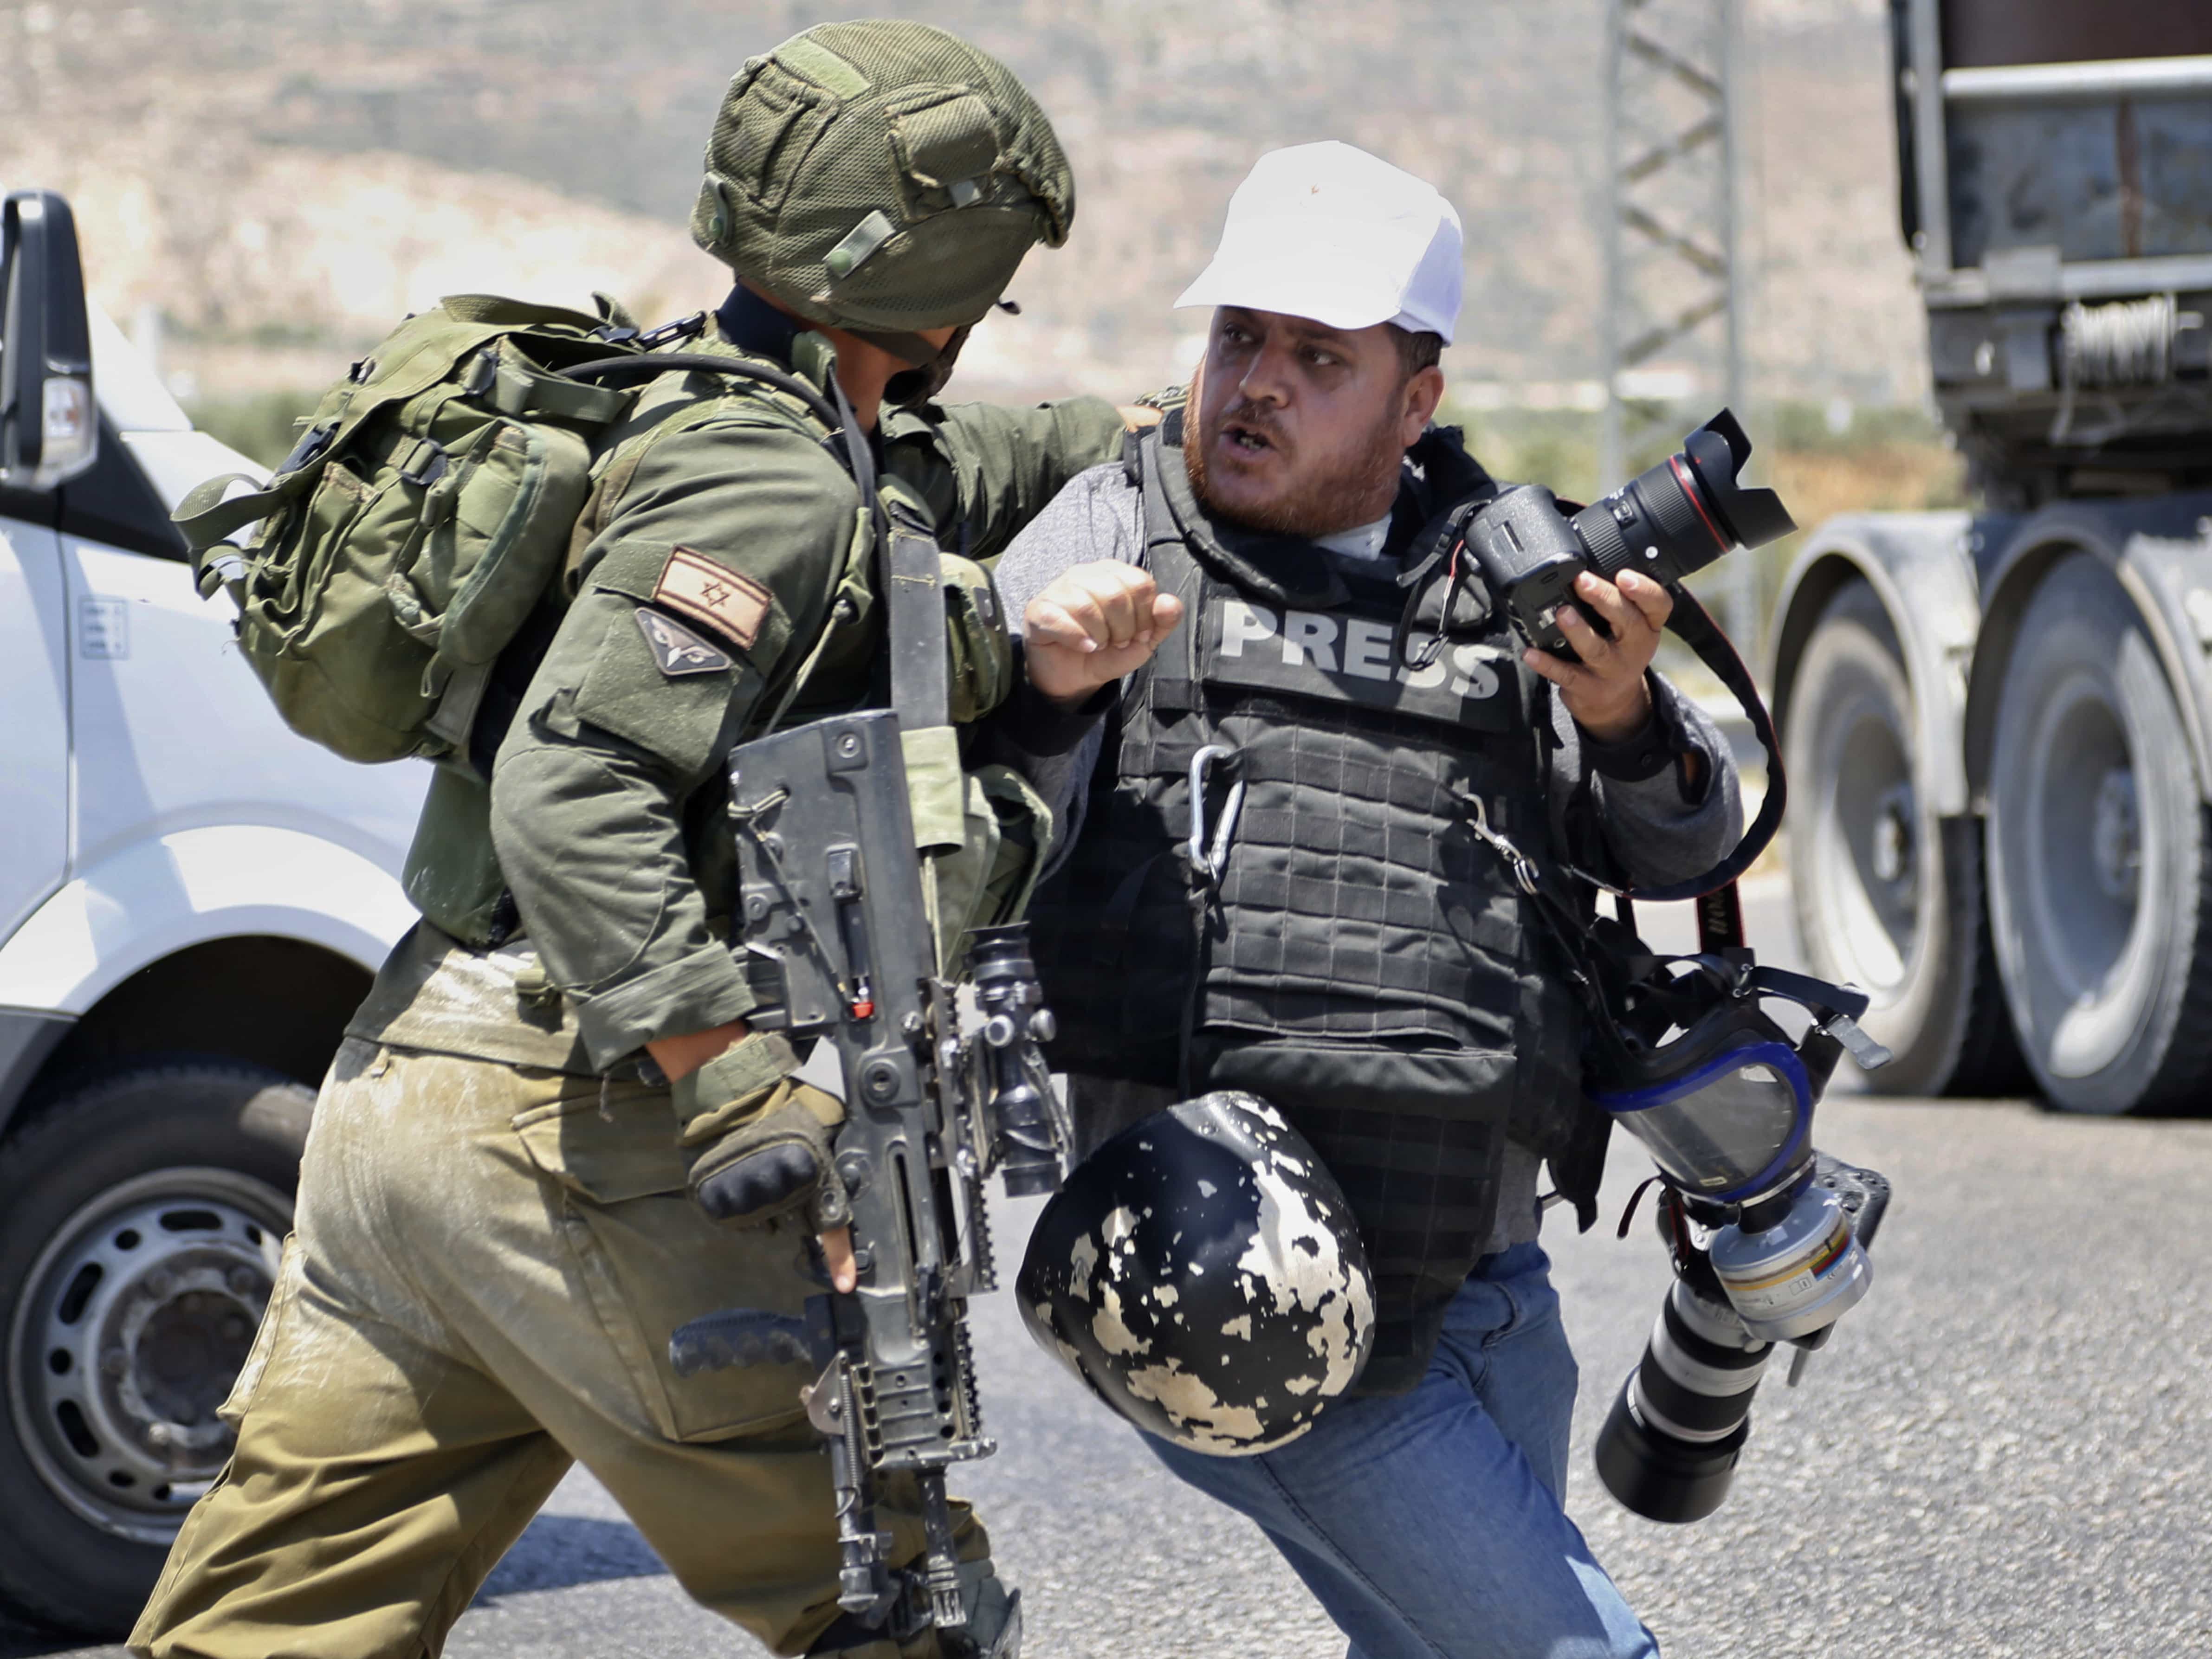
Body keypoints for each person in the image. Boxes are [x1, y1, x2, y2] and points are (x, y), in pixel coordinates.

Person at [129, 21, 1155, 1659]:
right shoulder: (766, 488)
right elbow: (574, 786)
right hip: (588, 1140)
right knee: (898, 1608)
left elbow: (945, 471)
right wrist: (730, 1073)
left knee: (274, 1627)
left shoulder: (698, 400)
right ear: (939, 283)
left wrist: (1178, 439)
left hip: (411, 1108)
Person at [996, 142, 1747, 1659]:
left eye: (1317, 358)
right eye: (1239, 340)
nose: (1255, 384)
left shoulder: (1497, 574)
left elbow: (1685, 849)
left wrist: (1620, 718)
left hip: (1484, 1281)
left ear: (1417, 399)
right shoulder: (1101, 539)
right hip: (1234, 1286)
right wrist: (1042, 693)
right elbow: (974, 849)